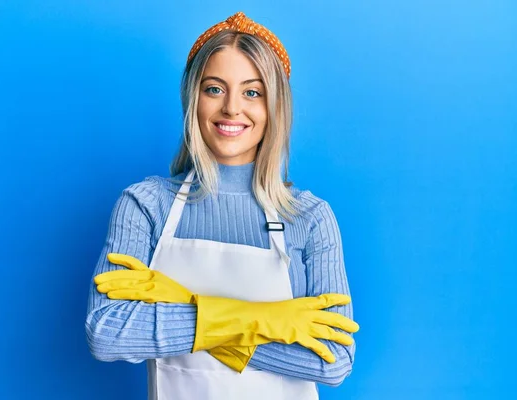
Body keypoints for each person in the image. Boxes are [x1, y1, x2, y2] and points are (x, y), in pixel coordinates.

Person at [85, 11, 359, 400]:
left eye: (252, 92)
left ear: (274, 107)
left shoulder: (309, 218)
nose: (232, 108)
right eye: (214, 89)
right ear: (193, 98)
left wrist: (183, 303)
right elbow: (108, 332)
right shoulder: (146, 205)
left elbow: (333, 359)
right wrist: (262, 320)